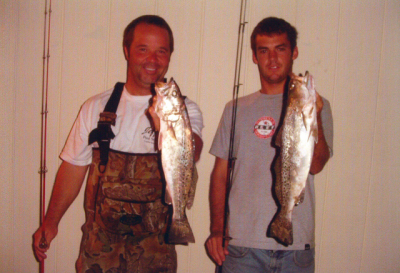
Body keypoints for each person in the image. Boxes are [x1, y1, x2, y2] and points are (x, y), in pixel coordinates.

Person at [33, 15, 204, 273]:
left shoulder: (184, 109)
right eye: (143, 49)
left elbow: (194, 155)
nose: (153, 60)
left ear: (170, 56)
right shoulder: (96, 108)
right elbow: (73, 168)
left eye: (162, 51)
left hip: (156, 255)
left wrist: (166, 127)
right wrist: (50, 222)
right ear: (127, 51)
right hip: (99, 251)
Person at [205, 17, 333, 273]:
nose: (272, 59)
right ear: (254, 56)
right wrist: (217, 230)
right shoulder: (235, 109)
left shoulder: (319, 106)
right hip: (240, 247)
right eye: (264, 51)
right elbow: (220, 175)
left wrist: (314, 115)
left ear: (294, 52)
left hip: (296, 249)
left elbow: (316, 165)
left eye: (281, 49)